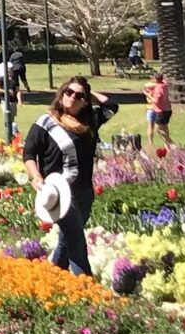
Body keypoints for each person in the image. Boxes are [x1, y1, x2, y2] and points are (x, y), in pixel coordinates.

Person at [21, 76, 117, 276]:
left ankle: (52, 277)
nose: (73, 97)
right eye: (69, 92)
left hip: (84, 191)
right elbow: (29, 154)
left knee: (67, 240)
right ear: (62, 93)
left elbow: (112, 106)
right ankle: (86, 286)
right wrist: (36, 176)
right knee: (76, 240)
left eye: (79, 96)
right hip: (60, 193)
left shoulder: (89, 121)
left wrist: (88, 94)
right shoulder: (45, 122)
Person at [144, 70, 174, 149]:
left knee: (158, 129)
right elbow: (146, 85)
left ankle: (171, 143)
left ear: (154, 79)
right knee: (163, 127)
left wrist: (148, 95)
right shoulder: (164, 85)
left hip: (160, 110)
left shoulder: (158, 89)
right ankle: (168, 144)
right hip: (166, 109)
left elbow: (156, 101)